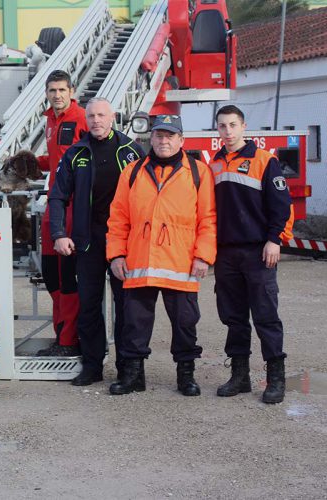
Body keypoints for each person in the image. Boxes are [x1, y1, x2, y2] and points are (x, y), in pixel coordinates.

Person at [106, 114, 217, 396]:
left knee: (185, 323)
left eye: (170, 135)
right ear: (150, 138)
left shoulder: (198, 172)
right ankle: (133, 376)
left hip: (181, 264)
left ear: (181, 140)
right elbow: (118, 218)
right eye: (158, 135)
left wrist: (203, 255)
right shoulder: (131, 172)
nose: (163, 140)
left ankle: (186, 376)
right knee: (134, 322)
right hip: (139, 262)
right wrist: (116, 255)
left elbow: (208, 218)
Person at [48, 97, 144, 386]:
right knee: (89, 306)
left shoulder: (130, 150)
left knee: (127, 307)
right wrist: (58, 234)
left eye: (102, 115)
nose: (96, 121)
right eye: (91, 116)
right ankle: (92, 366)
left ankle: (129, 369)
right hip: (87, 243)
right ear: (86, 120)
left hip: (124, 244)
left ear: (112, 117)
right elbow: (57, 195)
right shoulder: (77, 153)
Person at [211, 105, 293, 404]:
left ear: (243, 127)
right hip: (226, 254)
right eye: (222, 126)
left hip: (259, 252)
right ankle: (240, 376)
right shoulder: (215, 164)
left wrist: (274, 240)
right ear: (217, 129)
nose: (228, 131)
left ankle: (276, 379)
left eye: (233, 125)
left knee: (266, 317)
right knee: (234, 319)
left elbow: (282, 205)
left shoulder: (264, 161)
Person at [36, 70, 89, 357]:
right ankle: (63, 334)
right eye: (52, 90)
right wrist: (31, 162)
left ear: (71, 91)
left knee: (67, 276)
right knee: (51, 275)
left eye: (61, 90)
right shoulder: (50, 121)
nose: (57, 95)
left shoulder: (81, 118)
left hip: (71, 207)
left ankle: (69, 340)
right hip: (53, 205)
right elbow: (57, 159)